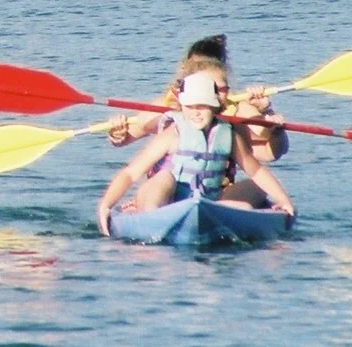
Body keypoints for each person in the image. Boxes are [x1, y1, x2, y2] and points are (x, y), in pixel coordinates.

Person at [97, 71, 295, 235]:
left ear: (215, 106)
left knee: (253, 194)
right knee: (164, 177)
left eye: (202, 106)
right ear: (181, 106)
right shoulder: (173, 133)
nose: (196, 112)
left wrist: (284, 201)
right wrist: (106, 205)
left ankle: (230, 215)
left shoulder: (228, 134)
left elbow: (257, 171)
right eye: (189, 107)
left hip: (208, 201)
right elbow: (131, 173)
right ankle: (147, 212)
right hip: (166, 201)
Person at [107, 34, 289, 178]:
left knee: (257, 191)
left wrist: (269, 117)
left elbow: (270, 153)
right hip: (166, 187)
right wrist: (118, 134)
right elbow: (128, 136)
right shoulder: (166, 106)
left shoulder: (236, 111)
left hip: (214, 191)